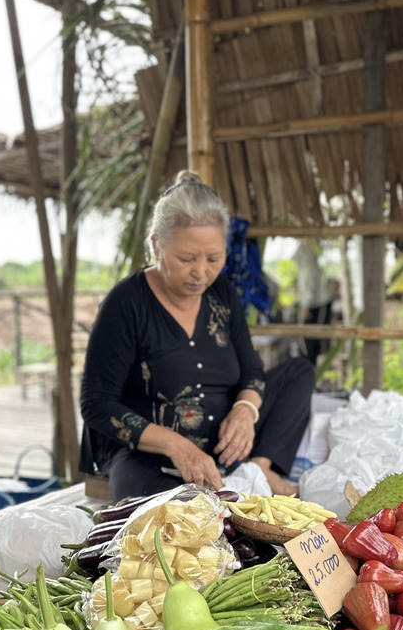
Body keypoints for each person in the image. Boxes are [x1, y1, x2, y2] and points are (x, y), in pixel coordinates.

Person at [79, 171, 315, 500]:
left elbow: (251, 370)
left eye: (214, 258)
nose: (201, 273)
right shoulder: (126, 303)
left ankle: (259, 468)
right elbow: (97, 404)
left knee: (299, 372)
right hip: (150, 455)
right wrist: (177, 446)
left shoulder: (221, 294)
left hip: (224, 445)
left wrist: (245, 411)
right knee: (173, 511)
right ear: (156, 245)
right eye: (187, 259)